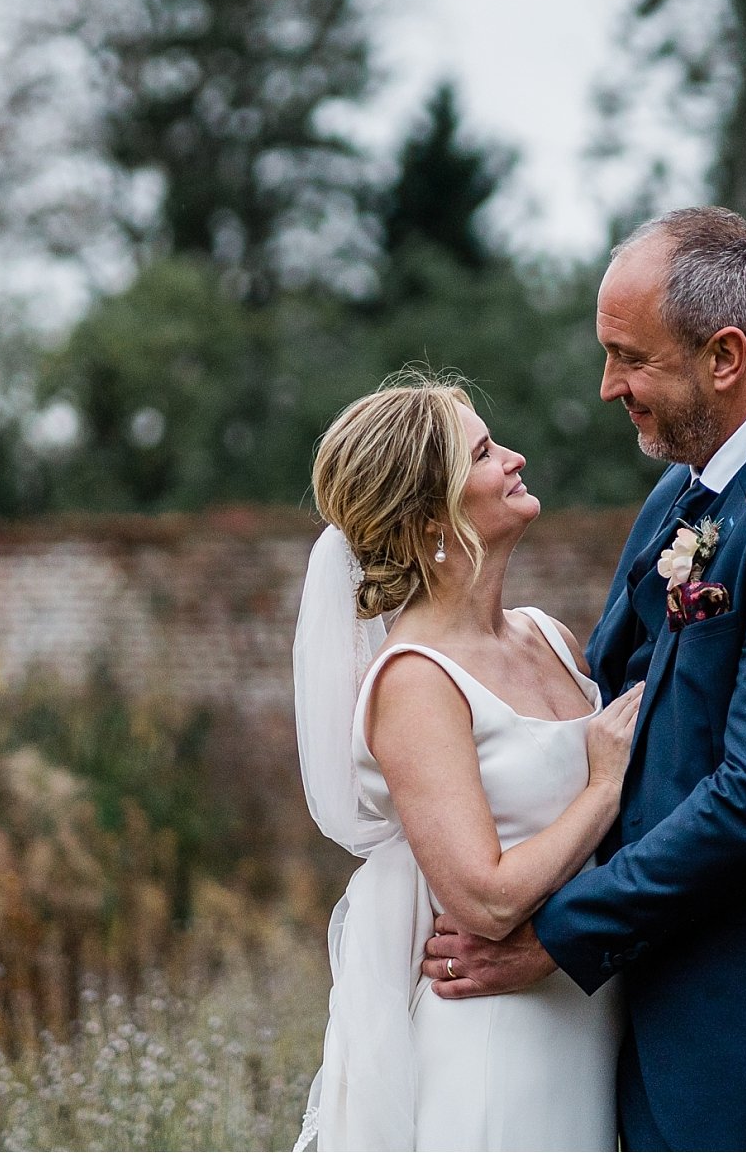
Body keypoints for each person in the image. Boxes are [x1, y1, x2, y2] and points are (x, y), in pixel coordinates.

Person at [420, 205, 746, 1150]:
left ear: (724, 353)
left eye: (631, 357)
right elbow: (605, 692)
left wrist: (553, 935)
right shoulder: (689, 485)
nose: (606, 385)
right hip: (662, 988)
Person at [293, 373, 642, 1150]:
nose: (515, 458)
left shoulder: (549, 636)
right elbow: (482, 898)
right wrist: (607, 784)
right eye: (484, 452)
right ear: (428, 521)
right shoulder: (415, 679)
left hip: (590, 1016)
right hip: (498, 1040)